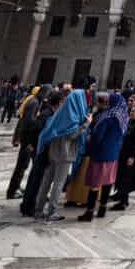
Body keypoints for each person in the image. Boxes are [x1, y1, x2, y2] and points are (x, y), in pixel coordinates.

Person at [34, 90, 88, 221]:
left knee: (46, 181)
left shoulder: (59, 113)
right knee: (59, 183)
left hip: (53, 151)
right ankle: (51, 212)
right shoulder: (72, 116)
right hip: (65, 154)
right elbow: (72, 135)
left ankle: (39, 209)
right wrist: (86, 124)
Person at [79, 92, 128, 221]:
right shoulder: (123, 117)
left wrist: (89, 140)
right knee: (107, 182)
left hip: (101, 153)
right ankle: (102, 209)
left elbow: (97, 136)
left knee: (95, 183)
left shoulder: (107, 117)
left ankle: (89, 212)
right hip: (113, 154)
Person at [7, 84, 50, 199]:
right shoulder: (34, 102)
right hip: (28, 139)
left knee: (25, 165)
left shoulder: (35, 101)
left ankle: (16, 187)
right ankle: (12, 191)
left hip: (28, 138)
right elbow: (28, 121)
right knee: (22, 165)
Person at [113, 97, 135, 210]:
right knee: (122, 177)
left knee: (126, 178)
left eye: (134, 112)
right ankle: (122, 199)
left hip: (130, 156)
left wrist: (132, 156)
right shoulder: (129, 123)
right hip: (124, 154)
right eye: (131, 111)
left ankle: (122, 202)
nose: (131, 113)